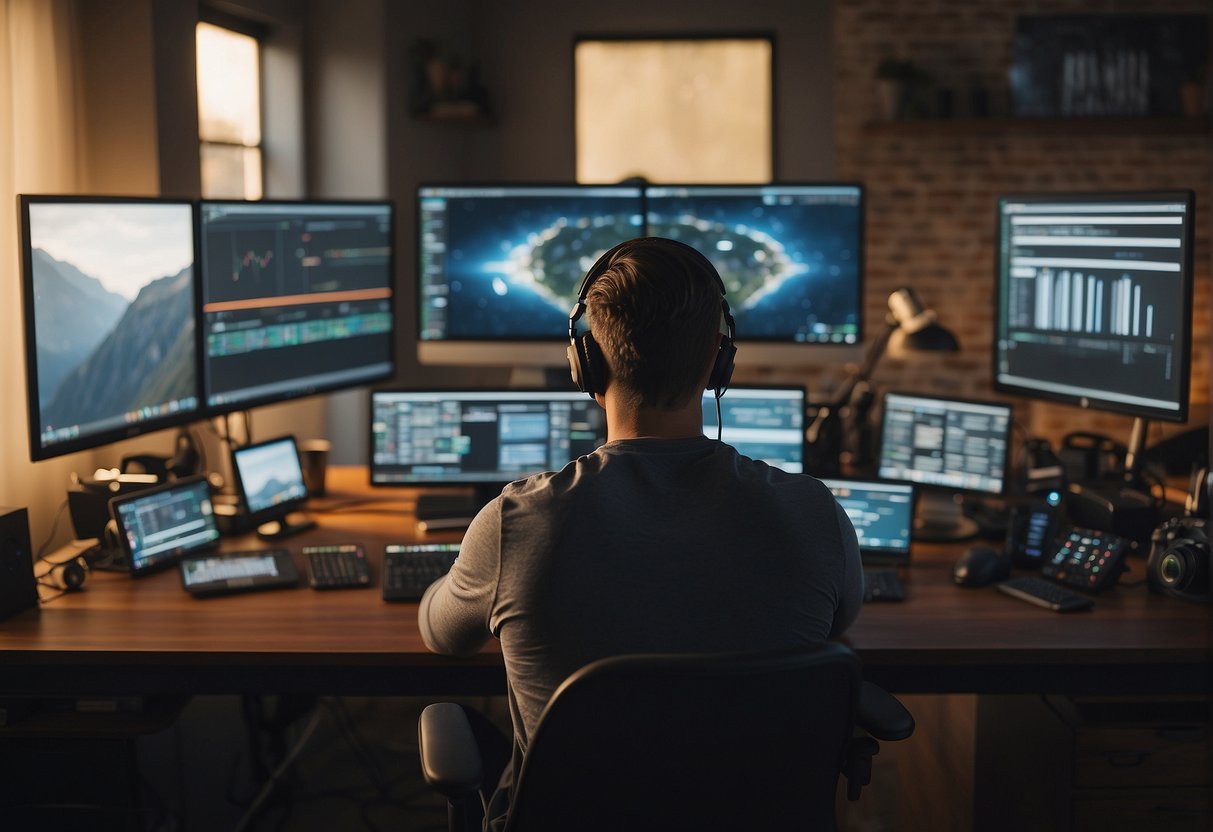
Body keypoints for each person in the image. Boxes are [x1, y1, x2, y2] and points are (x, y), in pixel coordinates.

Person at [419, 236, 863, 828]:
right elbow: (838, 624)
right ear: (717, 359)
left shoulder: (515, 523)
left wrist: (464, 570)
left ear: (586, 360)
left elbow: (441, 635)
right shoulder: (813, 513)